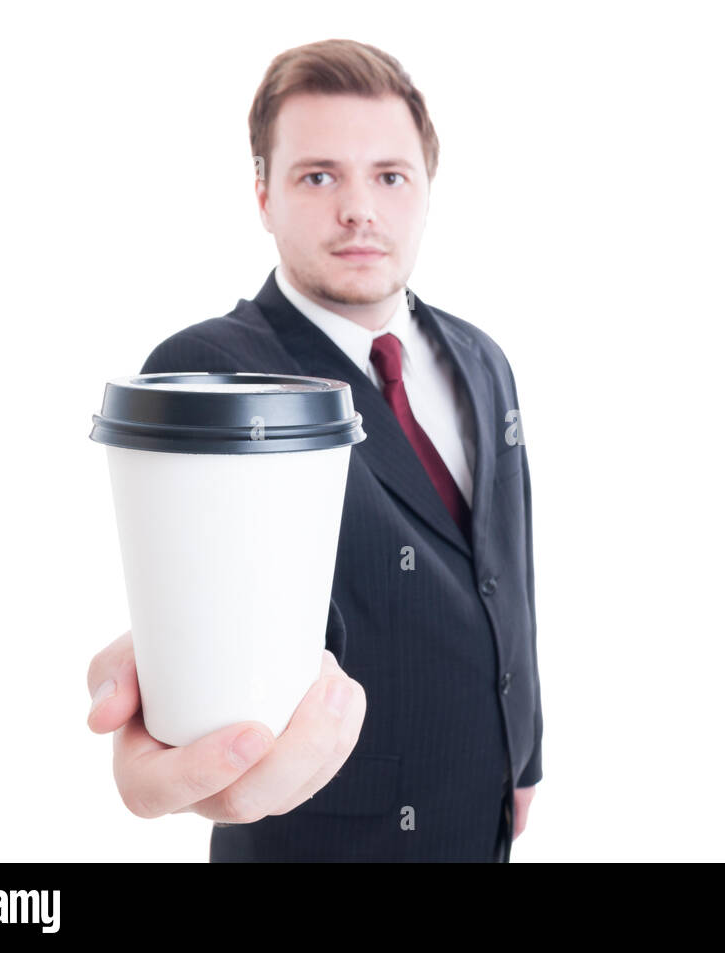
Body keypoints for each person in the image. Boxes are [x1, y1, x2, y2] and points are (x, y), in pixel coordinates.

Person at [85, 38, 542, 862]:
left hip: (480, 819)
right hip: (320, 835)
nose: (360, 209)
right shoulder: (210, 373)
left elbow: (509, 565)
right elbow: (208, 613)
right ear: (262, 193)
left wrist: (526, 752)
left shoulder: (482, 359)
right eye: (319, 175)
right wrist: (184, 704)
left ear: (426, 191)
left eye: (390, 176)